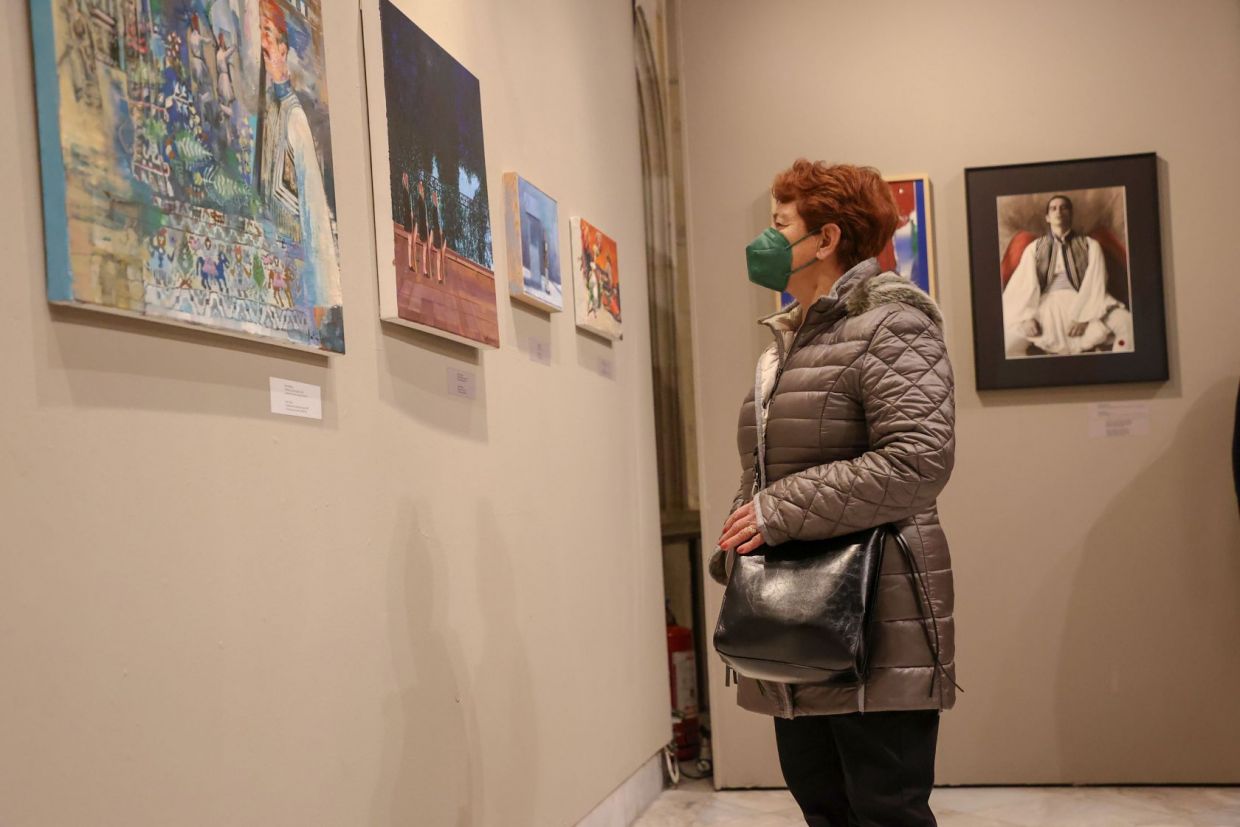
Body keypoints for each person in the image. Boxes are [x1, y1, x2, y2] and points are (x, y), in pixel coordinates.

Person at [711, 160, 958, 827]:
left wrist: (775, 512)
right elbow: (767, 466)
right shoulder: (791, 337)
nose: (764, 241)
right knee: (825, 809)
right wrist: (739, 542)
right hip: (797, 620)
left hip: (878, 620)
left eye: (779, 224)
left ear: (825, 238)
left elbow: (918, 460)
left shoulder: (893, 325)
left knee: (885, 812)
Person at [256, 0, 340, 309]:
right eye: (260, 31)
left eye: (268, 33)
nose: (263, 42)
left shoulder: (295, 116)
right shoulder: (267, 105)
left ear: (283, 50)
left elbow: (308, 200)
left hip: (290, 248)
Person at [1002, 195, 1134, 357]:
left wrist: (1083, 317)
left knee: (1127, 324)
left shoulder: (1090, 245)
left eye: (1064, 208)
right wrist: (1026, 318)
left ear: (1071, 214)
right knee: (1008, 345)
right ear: (1047, 217)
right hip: (1046, 305)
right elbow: (1024, 284)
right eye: (1053, 208)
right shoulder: (1034, 248)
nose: (1059, 211)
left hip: (1087, 300)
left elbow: (1096, 281)